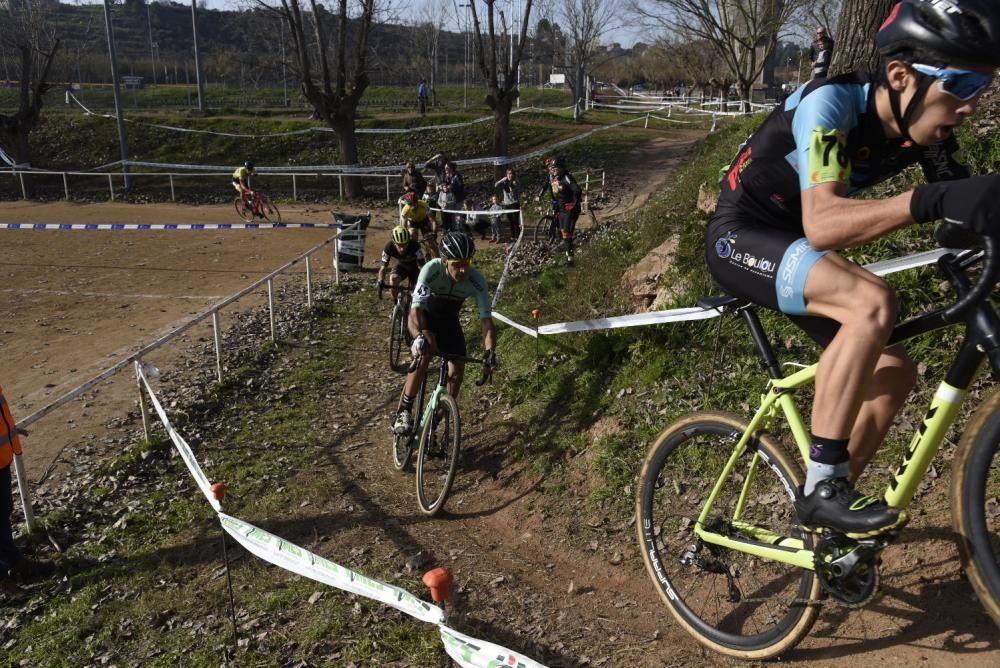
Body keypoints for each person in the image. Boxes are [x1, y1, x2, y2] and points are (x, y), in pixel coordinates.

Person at [705, 0, 1000, 538]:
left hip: (793, 243)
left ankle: (827, 521)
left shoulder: (921, 135)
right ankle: (822, 487)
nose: (972, 106)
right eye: (961, 86)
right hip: (741, 235)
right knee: (873, 303)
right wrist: (926, 200)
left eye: (982, 88)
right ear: (900, 75)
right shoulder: (831, 104)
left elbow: (959, 213)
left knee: (893, 372)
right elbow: (824, 225)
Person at [392, 232, 497, 435]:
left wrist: (489, 352)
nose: (463, 269)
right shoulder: (431, 270)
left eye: (467, 263)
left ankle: (436, 420)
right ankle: (404, 410)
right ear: (444, 260)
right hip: (428, 319)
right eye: (457, 264)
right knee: (425, 353)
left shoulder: (476, 280)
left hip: (450, 323)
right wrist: (417, 337)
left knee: (457, 372)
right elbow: (415, 312)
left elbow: (486, 321)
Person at [1, 383, 52, 597]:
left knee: (3, 512)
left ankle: (14, 562)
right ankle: (3, 581)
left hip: (2, 458)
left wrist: (10, 430)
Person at [537, 156, 582, 267]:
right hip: (561, 208)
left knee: (566, 234)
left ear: (562, 167)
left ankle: (570, 262)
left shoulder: (566, 177)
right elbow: (549, 188)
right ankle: (569, 258)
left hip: (569, 209)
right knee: (564, 234)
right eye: (553, 167)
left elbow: (577, 190)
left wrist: (574, 203)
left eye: (556, 167)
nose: (554, 169)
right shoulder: (553, 177)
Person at [376, 225, 425, 303]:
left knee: (416, 293)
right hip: (401, 266)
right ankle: (396, 304)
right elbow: (383, 268)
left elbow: (422, 267)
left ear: (408, 241)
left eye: (405, 244)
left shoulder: (415, 246)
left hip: (414, 268)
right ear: (394, 243)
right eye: (399, 245)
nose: (402, 249)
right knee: (394, 280)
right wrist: (380, 280)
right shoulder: (389, 247)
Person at [495, 168, 522, 241]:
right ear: (507, 175)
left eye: (511, 174)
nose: (510, 175)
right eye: (509, 174)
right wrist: (498, 183)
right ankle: (512, 236)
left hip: (514, 203)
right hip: (507, 204)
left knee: (515, 221)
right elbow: (497, 183)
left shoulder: (515, 182)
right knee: (510, 221)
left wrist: (511, 187)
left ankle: (517, 236)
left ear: (513, 174)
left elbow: (513, 194)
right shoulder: (505, 180)